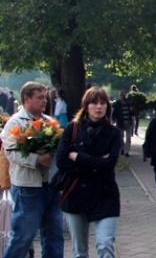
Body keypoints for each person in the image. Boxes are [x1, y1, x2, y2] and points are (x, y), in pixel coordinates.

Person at [55, 86, 121, 257]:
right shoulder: (72, 129)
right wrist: (97, 164)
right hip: (76, 192)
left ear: (107, 106)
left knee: (105, 243)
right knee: (79, 250)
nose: (98, 107)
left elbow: (110, 163)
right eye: (94, 103)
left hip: (105, 194)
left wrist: (78, 157)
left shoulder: (113, 133)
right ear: (86, 106)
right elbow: (62, 162)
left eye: (102, 103)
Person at [0, 82, 64, 257]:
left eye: (45, 97)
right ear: (26, 99)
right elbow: (11, 152)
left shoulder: (50, 122)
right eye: (40, 98)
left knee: (54, 236)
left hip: (50, 187)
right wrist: (36, 159)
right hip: (27, 189)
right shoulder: (15, 123)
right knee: (23, 238)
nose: (44, 101)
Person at [112, 90, 133, 157]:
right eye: (120, 95)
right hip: (120, 123)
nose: (121, 96)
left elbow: (132, 112)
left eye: (122, 95)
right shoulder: (117, 103)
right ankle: (122, 149)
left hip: (128, 122)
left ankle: (127, 151)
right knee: (121, 137)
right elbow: (114, 112)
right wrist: (113, 119)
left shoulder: (128, 102)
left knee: (128, 138)